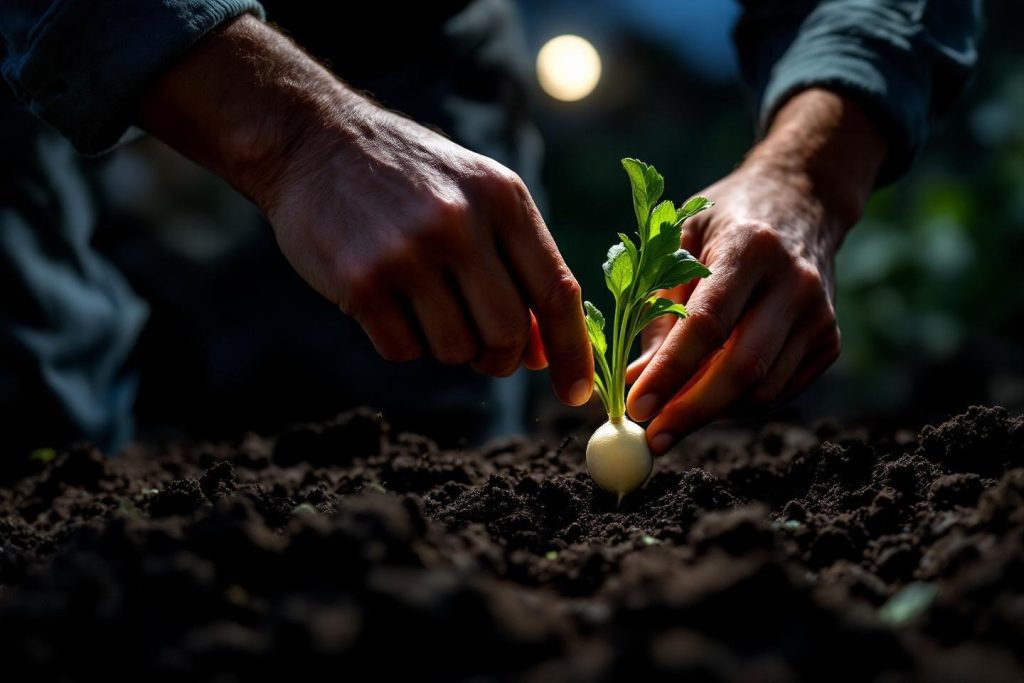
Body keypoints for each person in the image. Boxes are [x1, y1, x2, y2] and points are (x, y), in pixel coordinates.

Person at [0, 0, 979, 454]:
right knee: (26, 424)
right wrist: (295, 136)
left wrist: (805, 174)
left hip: (396, 28)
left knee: (422, 423)